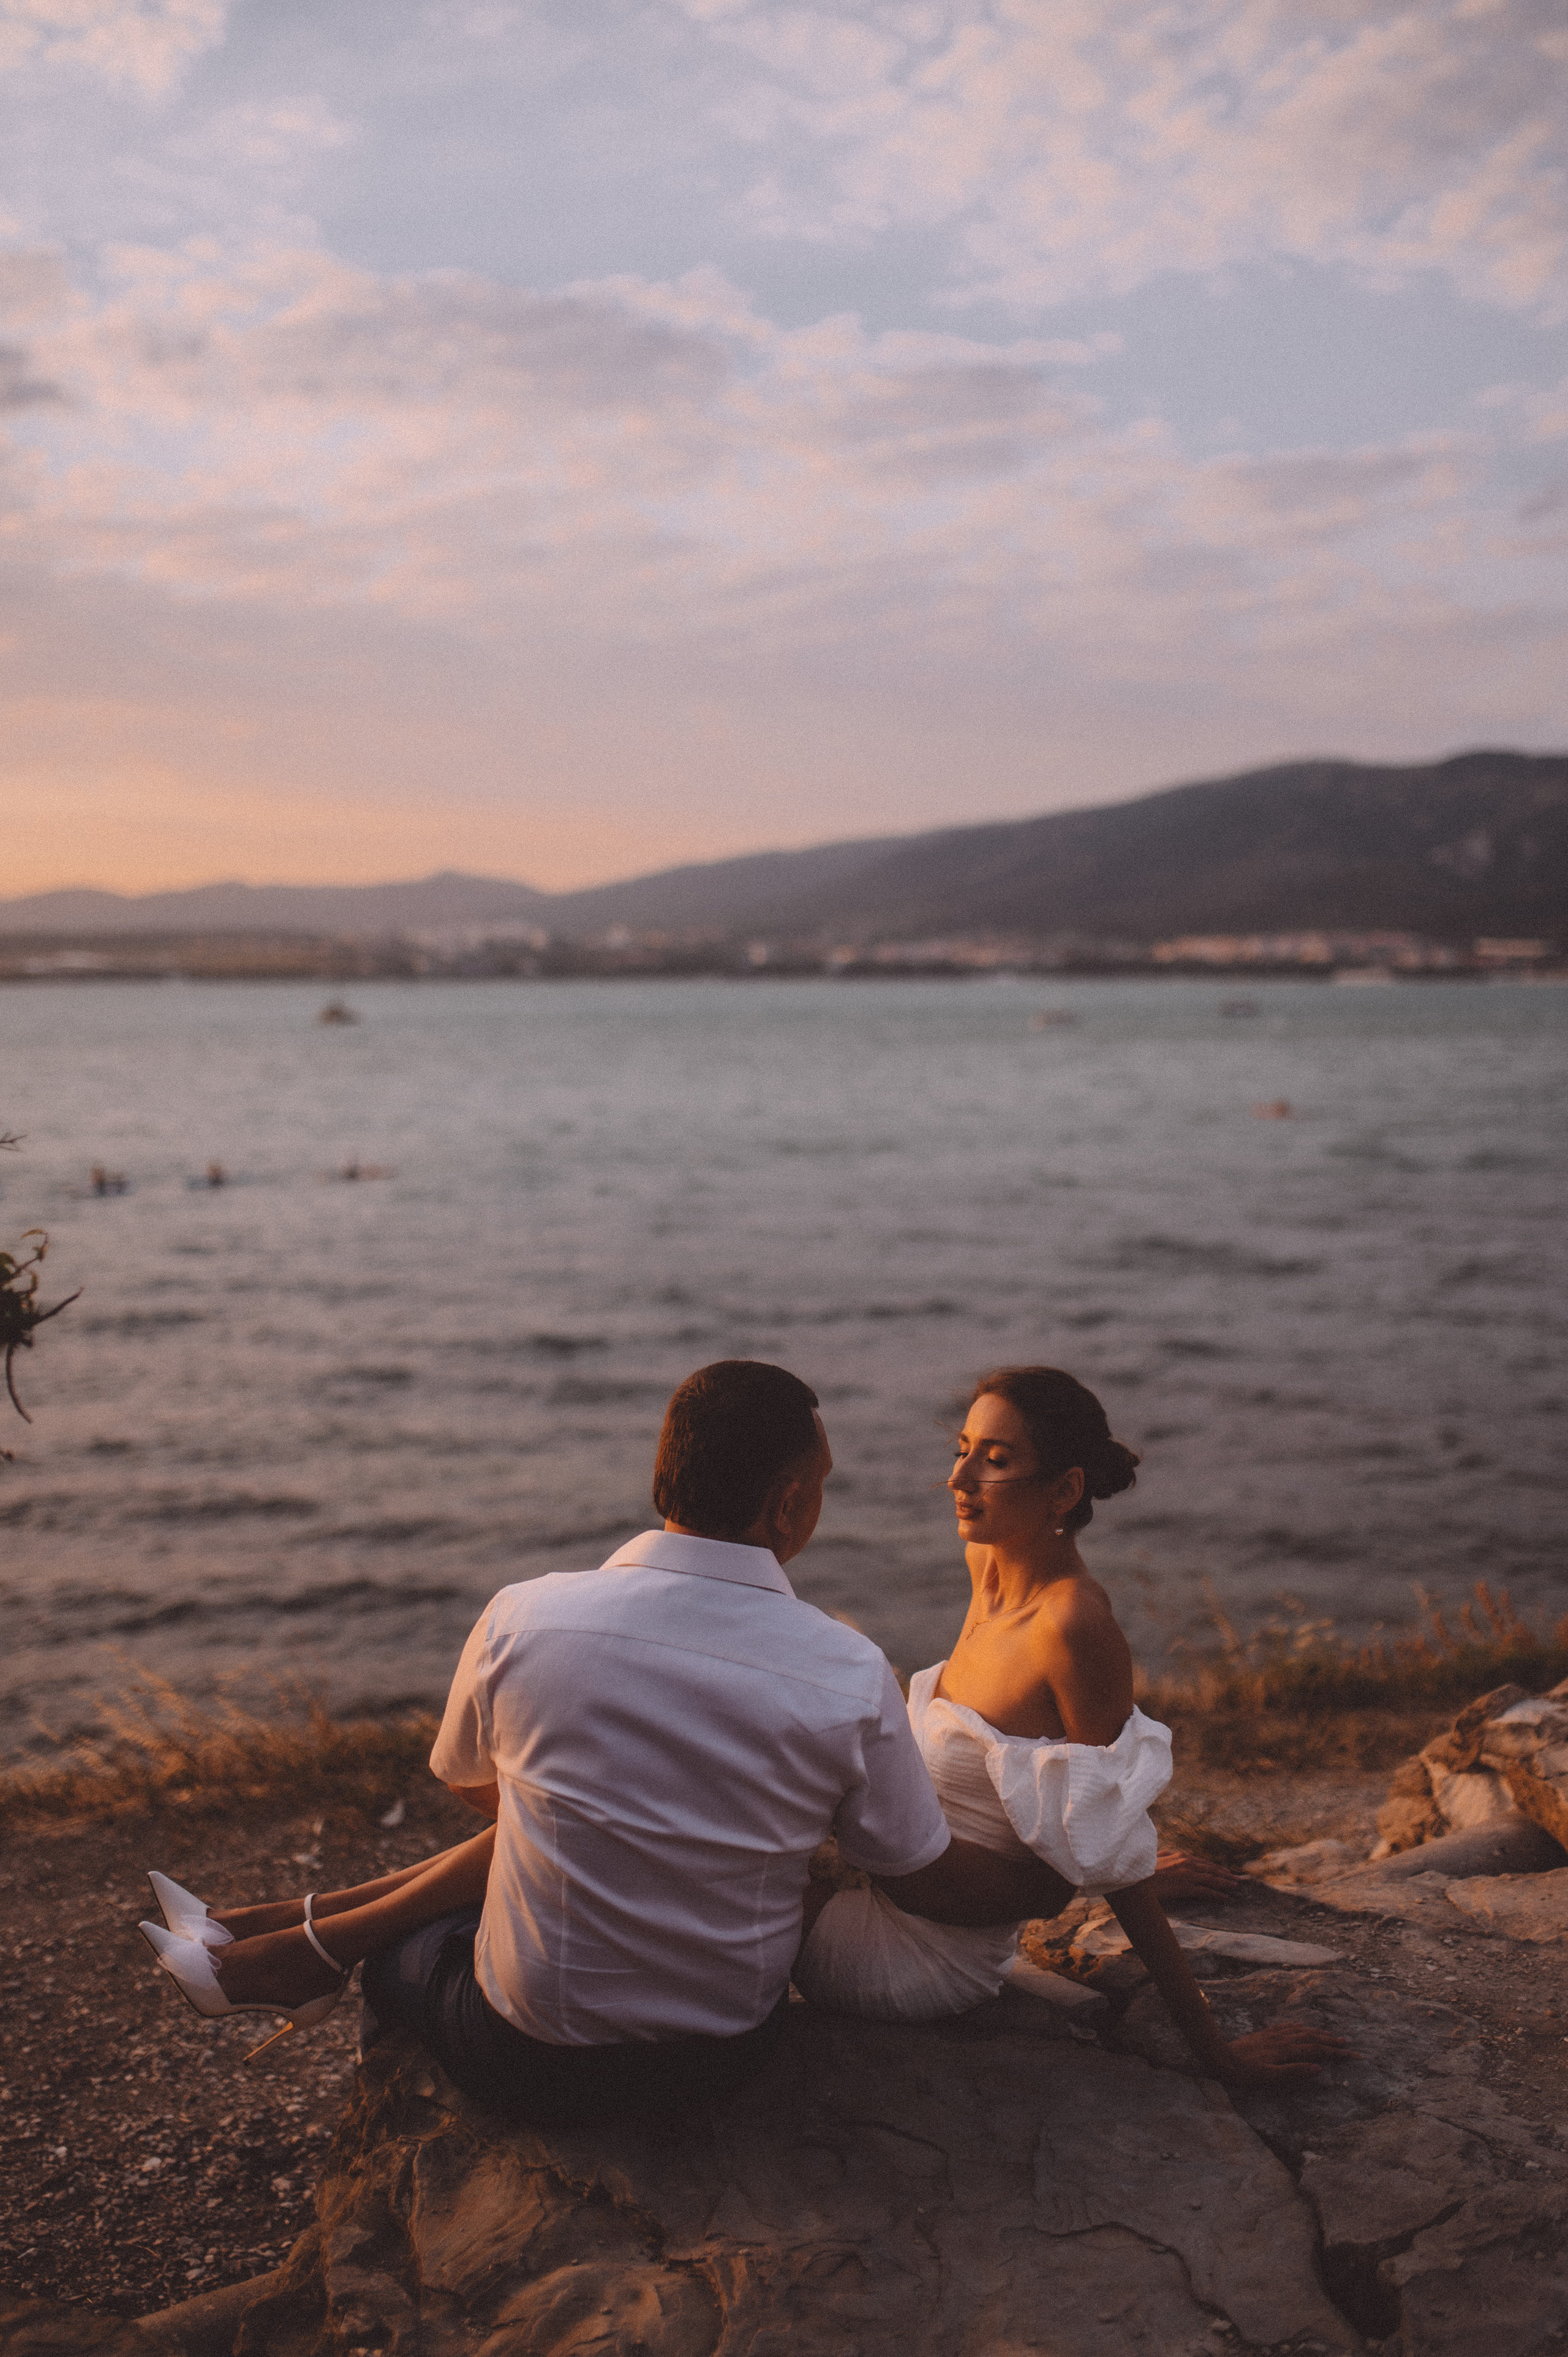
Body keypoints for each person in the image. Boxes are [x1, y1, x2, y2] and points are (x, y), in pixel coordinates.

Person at [142, 1362, 1346, 2106]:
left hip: (571, 2042)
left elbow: (479, 1795)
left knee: (526, 1845)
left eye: (992, 1460)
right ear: (790, 1505)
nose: (958, 1480)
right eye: (961, 1454)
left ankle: (310, 1943)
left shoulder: (522, 1613)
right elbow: (960, 1831)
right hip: (729, 2046)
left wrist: (1086, 1885)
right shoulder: (850, 1657)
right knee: (579, 1813)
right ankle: (289, 1931)